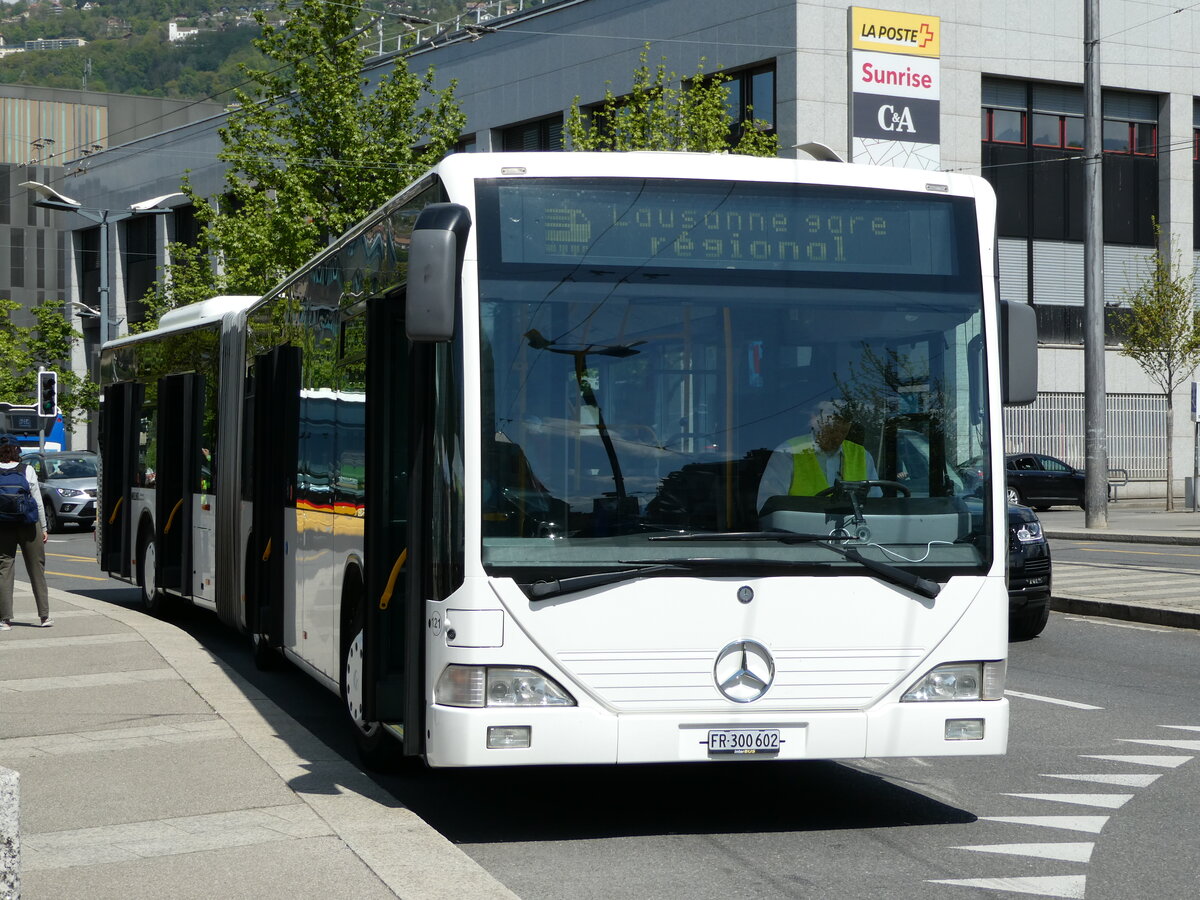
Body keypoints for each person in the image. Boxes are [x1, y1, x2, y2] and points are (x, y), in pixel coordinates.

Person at [757, 399, 880, 511]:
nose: (836, 437)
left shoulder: (862, 456)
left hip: (853, 533)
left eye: (842, 431)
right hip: (800, 534)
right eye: (831, 429)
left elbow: (877, 506)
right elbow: (768, 508)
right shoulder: (788, 452)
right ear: (813, 419)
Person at [0, 435, 52, 630]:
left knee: (4, 569)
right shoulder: (27, 470)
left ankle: (5, 619)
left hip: (3, 525)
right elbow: (38, 502)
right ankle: (44, 616)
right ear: (17, 450)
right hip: (28, 524)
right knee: (36, 569)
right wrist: (44, 528)